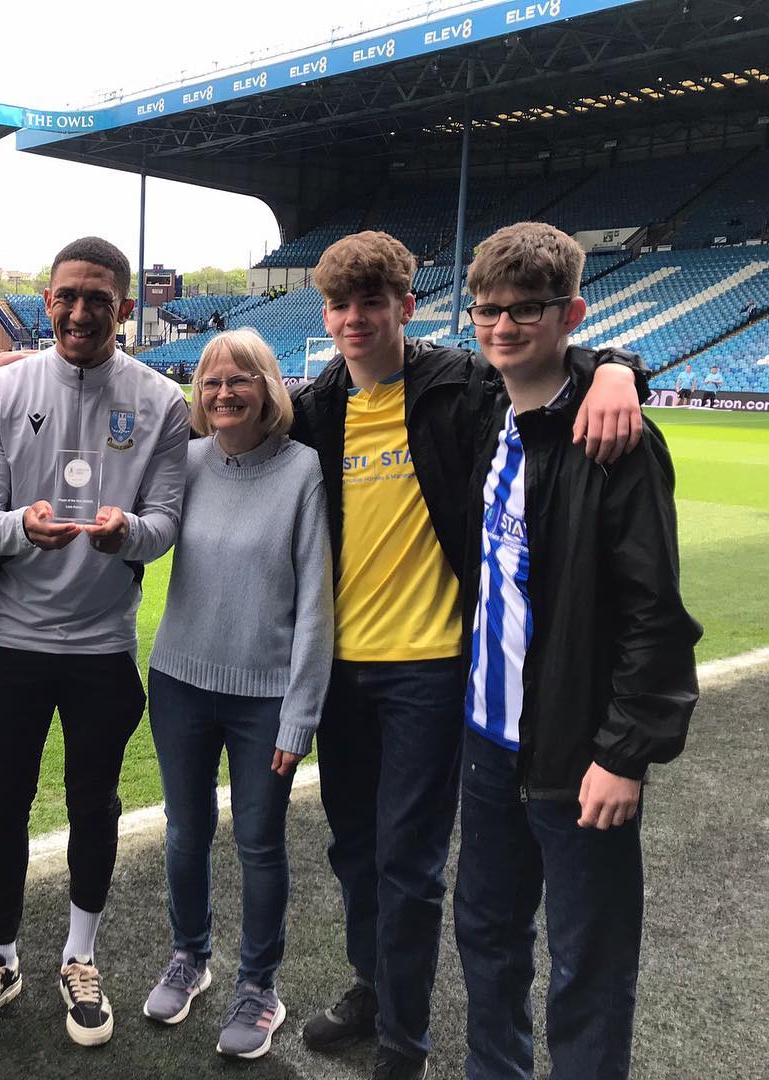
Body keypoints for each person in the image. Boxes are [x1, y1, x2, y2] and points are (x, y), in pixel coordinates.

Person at [289, 231, 646, 1080]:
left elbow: (547, 363)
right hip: (341, 671)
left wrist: (619, 367)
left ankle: (406, 1041)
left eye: (372, 303)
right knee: (354, 851)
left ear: (407, 308)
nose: (353, 320)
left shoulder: (459, 385)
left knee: (409, 865)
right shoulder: (320, 403)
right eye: (340, 305)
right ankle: (374, 986)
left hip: (430, 667)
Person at [456, 221, 701, 1079]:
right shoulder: (489, 411)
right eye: (489, 308)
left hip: (576, 757)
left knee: (587, 969)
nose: (503, 325)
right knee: (486, 941)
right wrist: (618, 365)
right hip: (486, 745)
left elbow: (655, 615)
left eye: (528, 309)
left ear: (571, 313)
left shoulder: (616, 442)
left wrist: (624, 755)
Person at [0, 236, 188, 1048]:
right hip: (11, 642)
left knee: (94, 801)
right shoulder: (1, 391)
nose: (81, 311)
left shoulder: (160, 400)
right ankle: (1, 956)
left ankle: (80, 956)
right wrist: (21, 528)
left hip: (101, 647)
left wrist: (129, 537)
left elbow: (165, 524)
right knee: (3, 800)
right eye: (66, 296)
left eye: (98, 298)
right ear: (46, 301)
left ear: (125, 307)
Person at [141, 329, 333, 1059]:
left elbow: (317, 603)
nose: (224, 393)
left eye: (240, 380)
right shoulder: (183, 463)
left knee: (258, 843)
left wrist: (300, 711)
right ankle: (191, 956)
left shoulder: (304, 471)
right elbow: (144, 530)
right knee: (185, 832)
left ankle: (259, 987)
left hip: (265, 699)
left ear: (268, 389)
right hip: (180, 682)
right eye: (212, 381)